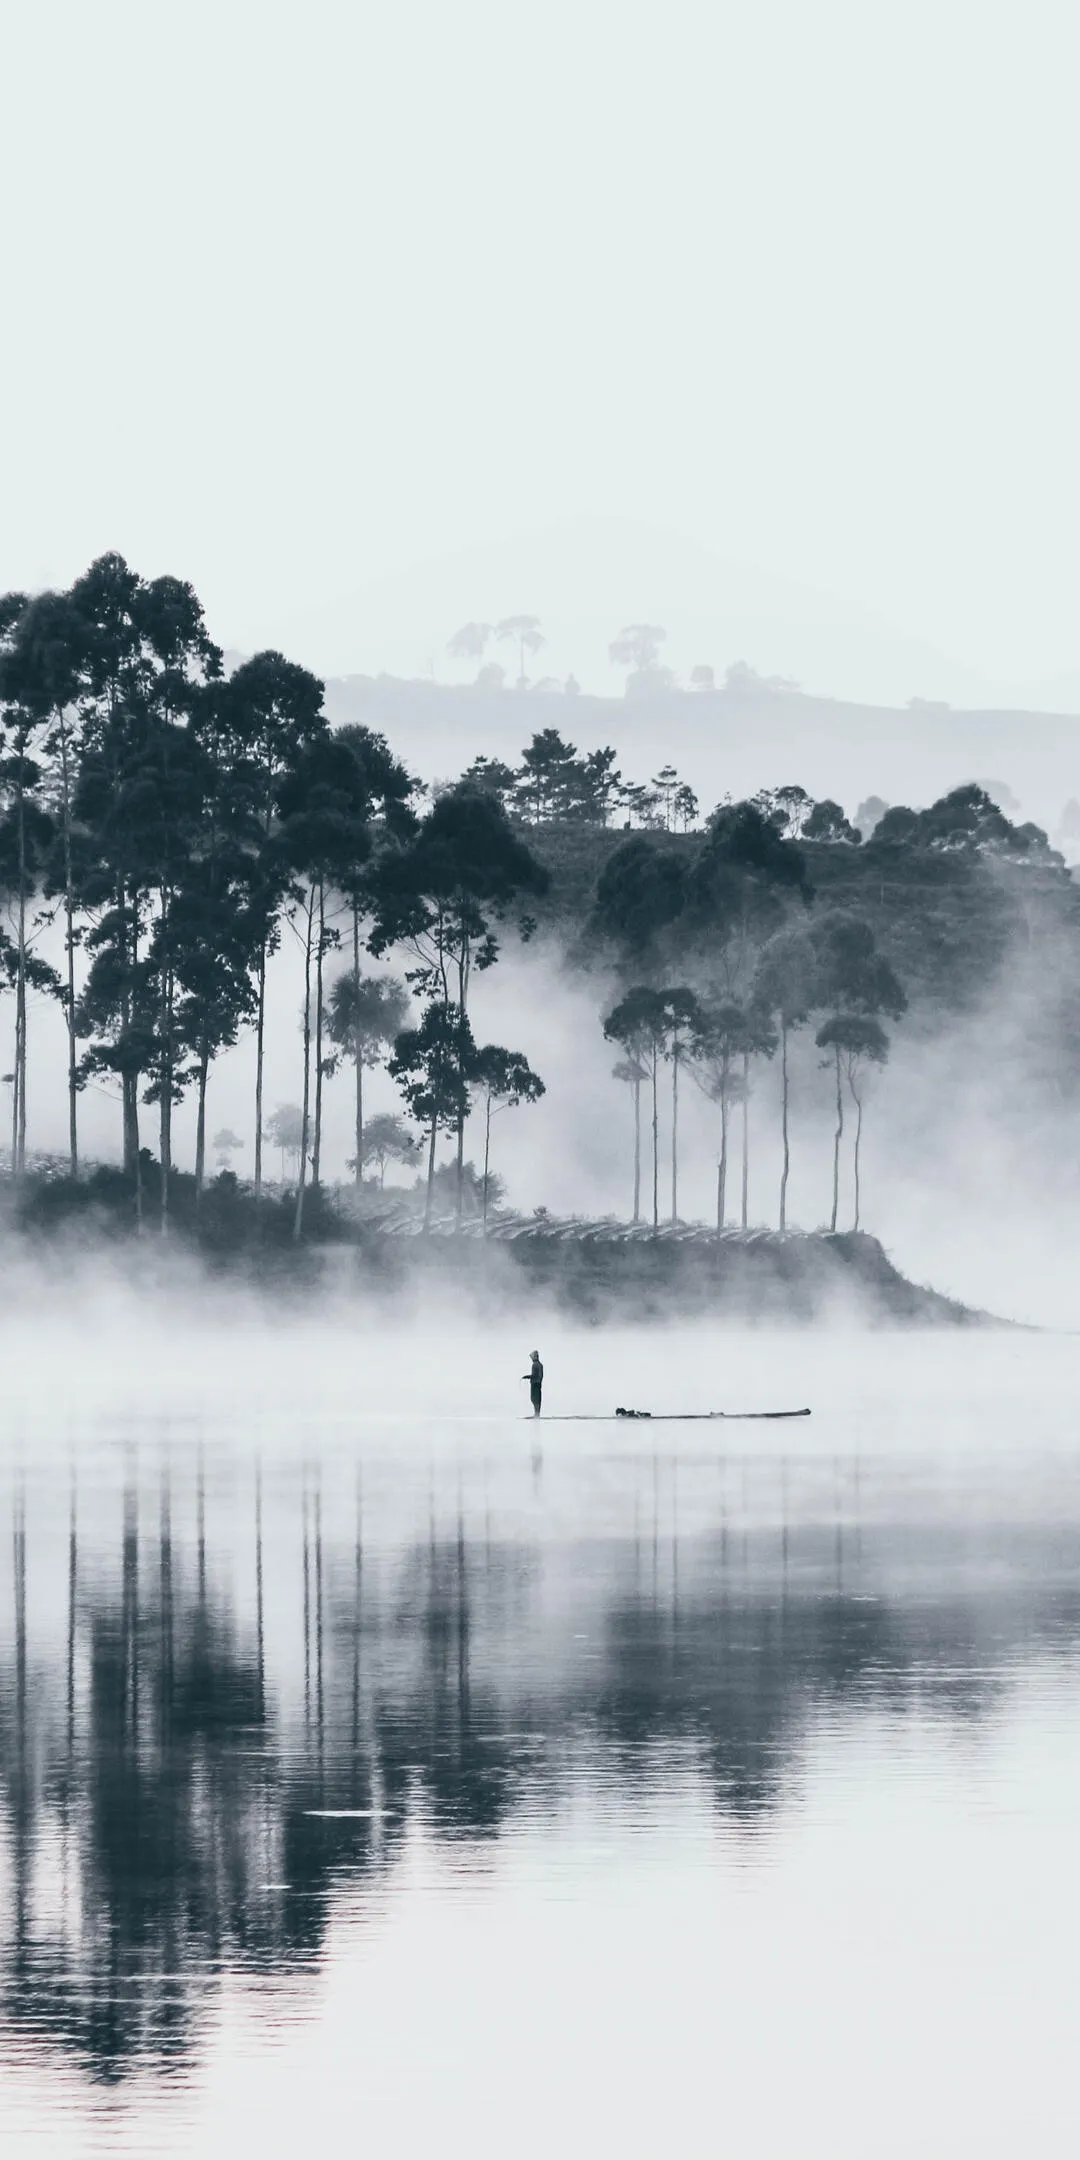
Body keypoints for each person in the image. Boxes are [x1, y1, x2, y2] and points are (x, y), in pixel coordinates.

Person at [523, 1349, 544, 1417]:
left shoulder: (535, 1365)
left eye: (532, 1357)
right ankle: (537, 1413)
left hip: (535, 1384)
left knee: (534, 1398)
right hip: (538, 1383)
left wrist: (527, 1377)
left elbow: (535, 1375)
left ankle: (536, 1414)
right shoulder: (540, 1365)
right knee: (536, 1399)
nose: (531, 1358)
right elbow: (540, 1376)